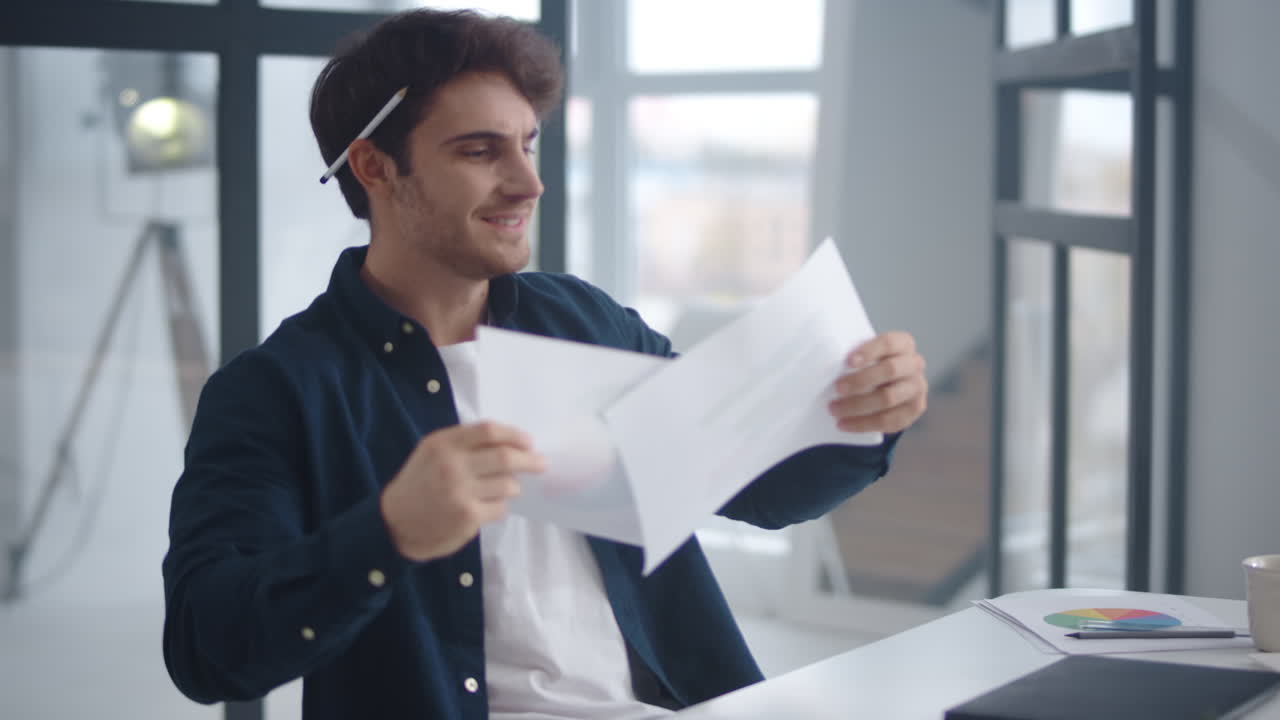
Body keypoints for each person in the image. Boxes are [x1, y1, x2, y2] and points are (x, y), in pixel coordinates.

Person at [162, 8, 928, 720]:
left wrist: (861, 418)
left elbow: (762, 491)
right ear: (374, 167)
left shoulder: (585, 323)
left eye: (527, 144)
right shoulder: (277, 391)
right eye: (479, 150)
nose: (528, 183)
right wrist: (389, 531)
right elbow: (208, 651)